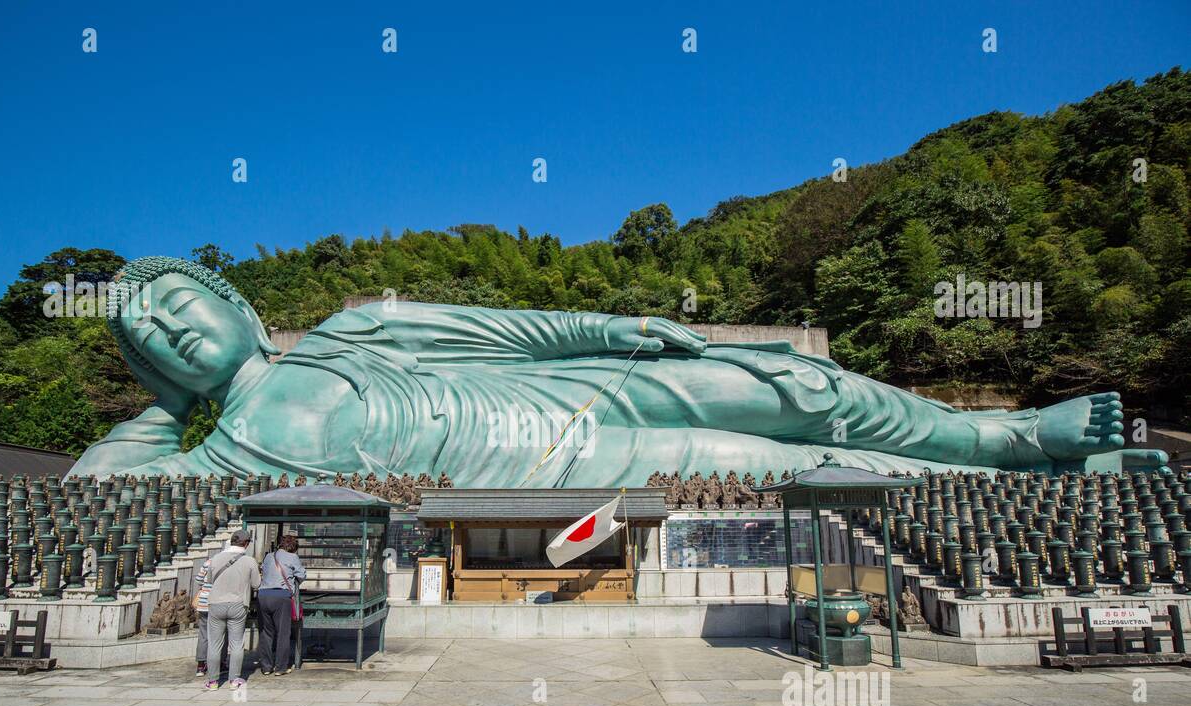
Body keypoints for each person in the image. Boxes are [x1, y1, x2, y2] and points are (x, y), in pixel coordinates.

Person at [68, 256, 1165, 483]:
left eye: (176, 303)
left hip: (564, 391)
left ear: (243, 304)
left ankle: (997, 434)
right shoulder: (213, 452)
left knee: (784, 388)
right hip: (546, 463)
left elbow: (512, 331)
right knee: (771, 466)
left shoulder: (359, 327)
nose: (166, 330)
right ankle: (1016, 480)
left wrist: (630, 327)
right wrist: (166, 419)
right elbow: (90, 486)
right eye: (143, 339)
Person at [203, 528, 261, 690]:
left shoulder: (216, 558)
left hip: (216, 603)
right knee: (236, 643)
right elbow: (257, 584)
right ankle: (234, 680)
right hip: (238, 604)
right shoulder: (249, 561)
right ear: (246, 543)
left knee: (214, 644)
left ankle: (213, 681)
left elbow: (209, 580)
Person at [258, 533, 305, 676]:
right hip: (281, 597)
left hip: (263, 595)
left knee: (266, 632)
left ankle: (266, 667)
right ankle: (280, 667)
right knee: (283, 633)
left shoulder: (268, 556)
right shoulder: (293, 557)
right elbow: (302, 575)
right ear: (293, 547)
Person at [192, 555, 213, 678]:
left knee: (203, 634)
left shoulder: (208, 563)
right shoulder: (228, 562)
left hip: (204, 601)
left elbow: (199, 580)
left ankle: (200, 665)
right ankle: (218, 662)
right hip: (217, 601)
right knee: (219, 634)